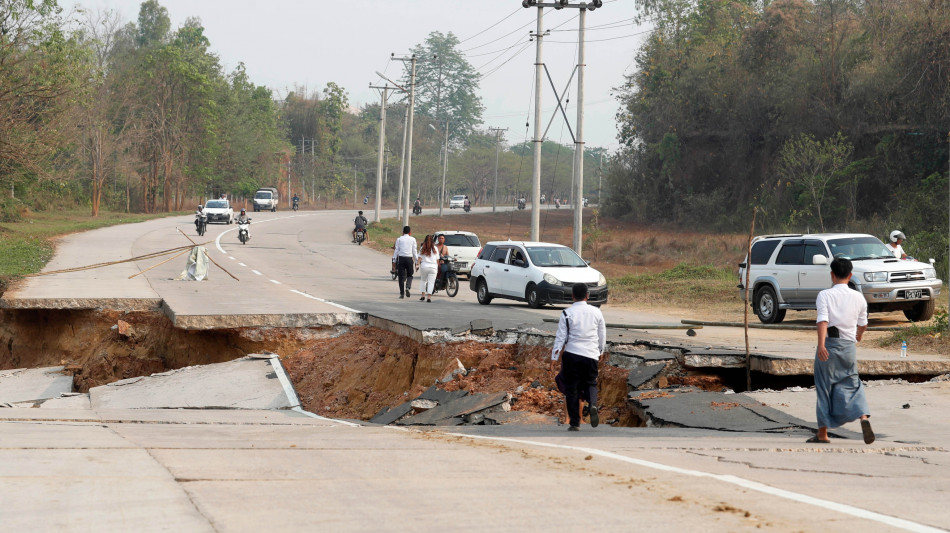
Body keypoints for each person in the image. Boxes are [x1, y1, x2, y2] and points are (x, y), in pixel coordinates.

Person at [810, 257, 874, 445]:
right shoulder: (858, 297)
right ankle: (863, 417)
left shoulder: (825, 295)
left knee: (824, 387)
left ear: (832, 275)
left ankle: (823, 434)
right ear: (850, 275)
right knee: (852, 383)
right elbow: (863, 323)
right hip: (848, 347)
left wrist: (821, 345)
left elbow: (823, 320)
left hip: (829, 344)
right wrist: (858, 336)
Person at [550, 283, 607, 432]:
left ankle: (575, 423)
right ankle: (593, 404)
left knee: (572, 388)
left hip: (572, 354)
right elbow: (602, 334)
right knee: (591, 383)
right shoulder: (597, 312)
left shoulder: (567, 313)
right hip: (591, 354)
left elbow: (561, 337)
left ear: (572, 296)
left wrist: (554, 356)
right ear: (587, 296)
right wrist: (600, 351)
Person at [392, 226, 418, 299]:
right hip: (409, 259)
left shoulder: (399, 239)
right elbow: (414, 251)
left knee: (401, 276)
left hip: (401, 259)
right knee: (410, 275)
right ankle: (408, 287)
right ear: (410, 232)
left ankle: (402, 293)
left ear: (403, 232)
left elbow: (396, 250)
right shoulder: (413, 239)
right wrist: (416, 261)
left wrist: (394, 260)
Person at [417, 235, 439, 303]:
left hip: (424, 267)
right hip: (433, 267)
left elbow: (419, 258)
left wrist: (417, 265)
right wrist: (437, 267)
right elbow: (437, 260)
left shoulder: (422, 247)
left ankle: (423, 296)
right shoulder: (435, 248)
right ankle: (429, 297)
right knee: (431, 282)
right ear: (433, 241)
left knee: (423, 281)